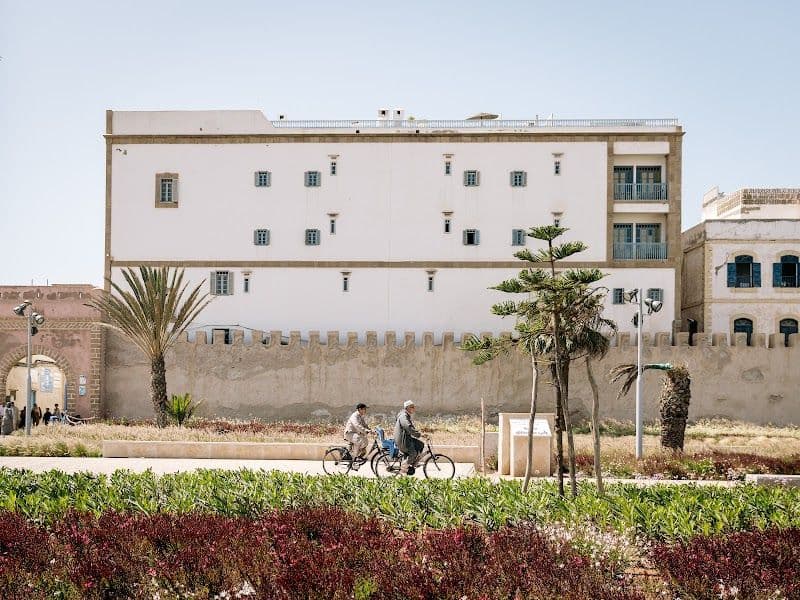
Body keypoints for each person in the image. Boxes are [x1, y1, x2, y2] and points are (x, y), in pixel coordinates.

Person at [394, 400, 425, 475]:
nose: (414, 408)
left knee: (420, 444)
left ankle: (412, 462)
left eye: (414, 407)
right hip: (403, 440)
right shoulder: (403, 416)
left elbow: (411, 428)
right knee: (413, 453)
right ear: (407, 408)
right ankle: (404, 468)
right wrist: (419, 434)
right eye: (412, 407)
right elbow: (408, 427)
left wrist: (418, 432)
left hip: (405, 438)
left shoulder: (406, 415)